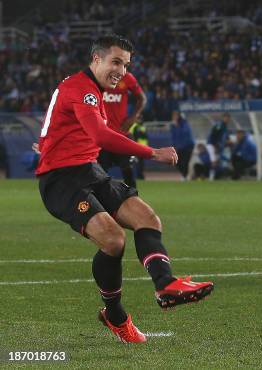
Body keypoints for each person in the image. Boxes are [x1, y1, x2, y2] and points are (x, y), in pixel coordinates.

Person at [35, 35, 213, 344]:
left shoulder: (91, 88)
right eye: (116, 62)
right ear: (96, 60)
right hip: (60, 179)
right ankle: (115, 317)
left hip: (89, 169)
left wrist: (51, 141)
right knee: (114, 239)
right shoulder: (83, 89)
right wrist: (151, 152)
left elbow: (70, 127)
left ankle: (165, 285)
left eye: (126, 65)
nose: (122, 71)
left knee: (147, 218)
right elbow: (100, 135)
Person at [97, 71, 146, 188]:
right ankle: (102, 202)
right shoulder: (97, 76)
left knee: (127, 169)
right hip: (102, 135)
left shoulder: (127, 78)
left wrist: (133, 118)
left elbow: (142, 98)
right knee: (99, 174)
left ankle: (134, 200)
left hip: (121, 134)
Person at [170, 110, 195, 180]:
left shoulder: (184, 124)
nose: (174, 117)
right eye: (173, 116)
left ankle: (184, 176)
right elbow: (174, 137)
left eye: (175, 116)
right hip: (180, 147)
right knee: (177, 162)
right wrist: (174, 146)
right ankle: (184, 175)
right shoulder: (173, 126)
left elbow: (185, 134)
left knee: (185, 162)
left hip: (188, 146)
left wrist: (177, 127)